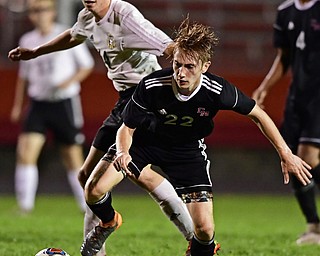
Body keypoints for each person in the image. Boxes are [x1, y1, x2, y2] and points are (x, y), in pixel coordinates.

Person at [81, 17, 313, 256]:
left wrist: (286, 153)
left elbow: (259, 115)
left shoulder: (217, 91)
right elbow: (126, 128)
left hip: (186, 151)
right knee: (94, 189)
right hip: (145, 142)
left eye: (189, 67)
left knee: (204, 230)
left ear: (205, 66)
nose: (181, 73)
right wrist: (123, 151)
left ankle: (199, 250)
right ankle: (108, 222)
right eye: (177, 65)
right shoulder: (152, 85)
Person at [8, 1, 194, 255]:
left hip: (143, 103)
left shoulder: (124, 14)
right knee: (90, 176)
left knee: (127, 177)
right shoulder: (87, 16)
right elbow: (74, 35)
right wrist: (37, 52)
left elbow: (167, 45)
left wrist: (185, 86)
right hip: (123, 103)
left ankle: (195, 241)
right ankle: (193, 239)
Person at [10, 0, 94, 214]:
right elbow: (24, 77)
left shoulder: (66, 35)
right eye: (35, 11)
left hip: (63, 103)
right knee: (26, 152)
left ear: (52, 12)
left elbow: (87, 65)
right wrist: (18, 105)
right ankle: (24, 207)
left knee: (73, 157)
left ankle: (88, 206)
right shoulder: (27, 39)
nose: (39, 14)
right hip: (38, 103)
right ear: (30, 15)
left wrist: (69, 81)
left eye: (43, 10)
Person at [252, 0, 320, 245]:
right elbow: (284, 57)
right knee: (291, 159)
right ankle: (313, 226)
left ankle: (314, 228)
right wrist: (264, 88)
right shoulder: (285, 12)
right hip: (297, 97)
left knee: (308, 158)